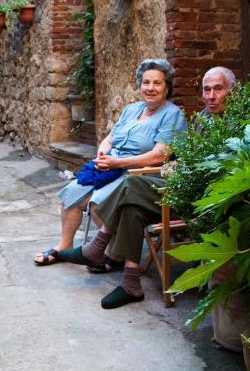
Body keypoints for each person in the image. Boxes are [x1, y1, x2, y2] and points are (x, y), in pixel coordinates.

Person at [83, 67, 236, 309]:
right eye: (206, 89)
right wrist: (175, 167)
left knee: (131, 182)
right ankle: (131, 283)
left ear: (232, 92)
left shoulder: (237, 123)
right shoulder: (204, 119)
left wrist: (178, 170)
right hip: (180, 187)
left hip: (202, 200)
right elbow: (188, 159)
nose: (211, 95)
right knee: (132, 207)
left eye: (218, 89)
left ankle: (101, 243)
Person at [34, 58, 187, 267]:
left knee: (98, 203)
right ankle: (65, 246)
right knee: (72, 193)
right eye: (146, 82)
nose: (150, 88)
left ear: (167, 87)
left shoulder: (173, 115)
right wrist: (102, 153)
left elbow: (159, 156)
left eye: (157, 83)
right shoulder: (132, 110)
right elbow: (110, 138)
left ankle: (112, 254)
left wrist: (117, 163)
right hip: (111, 167)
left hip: (138, 174)